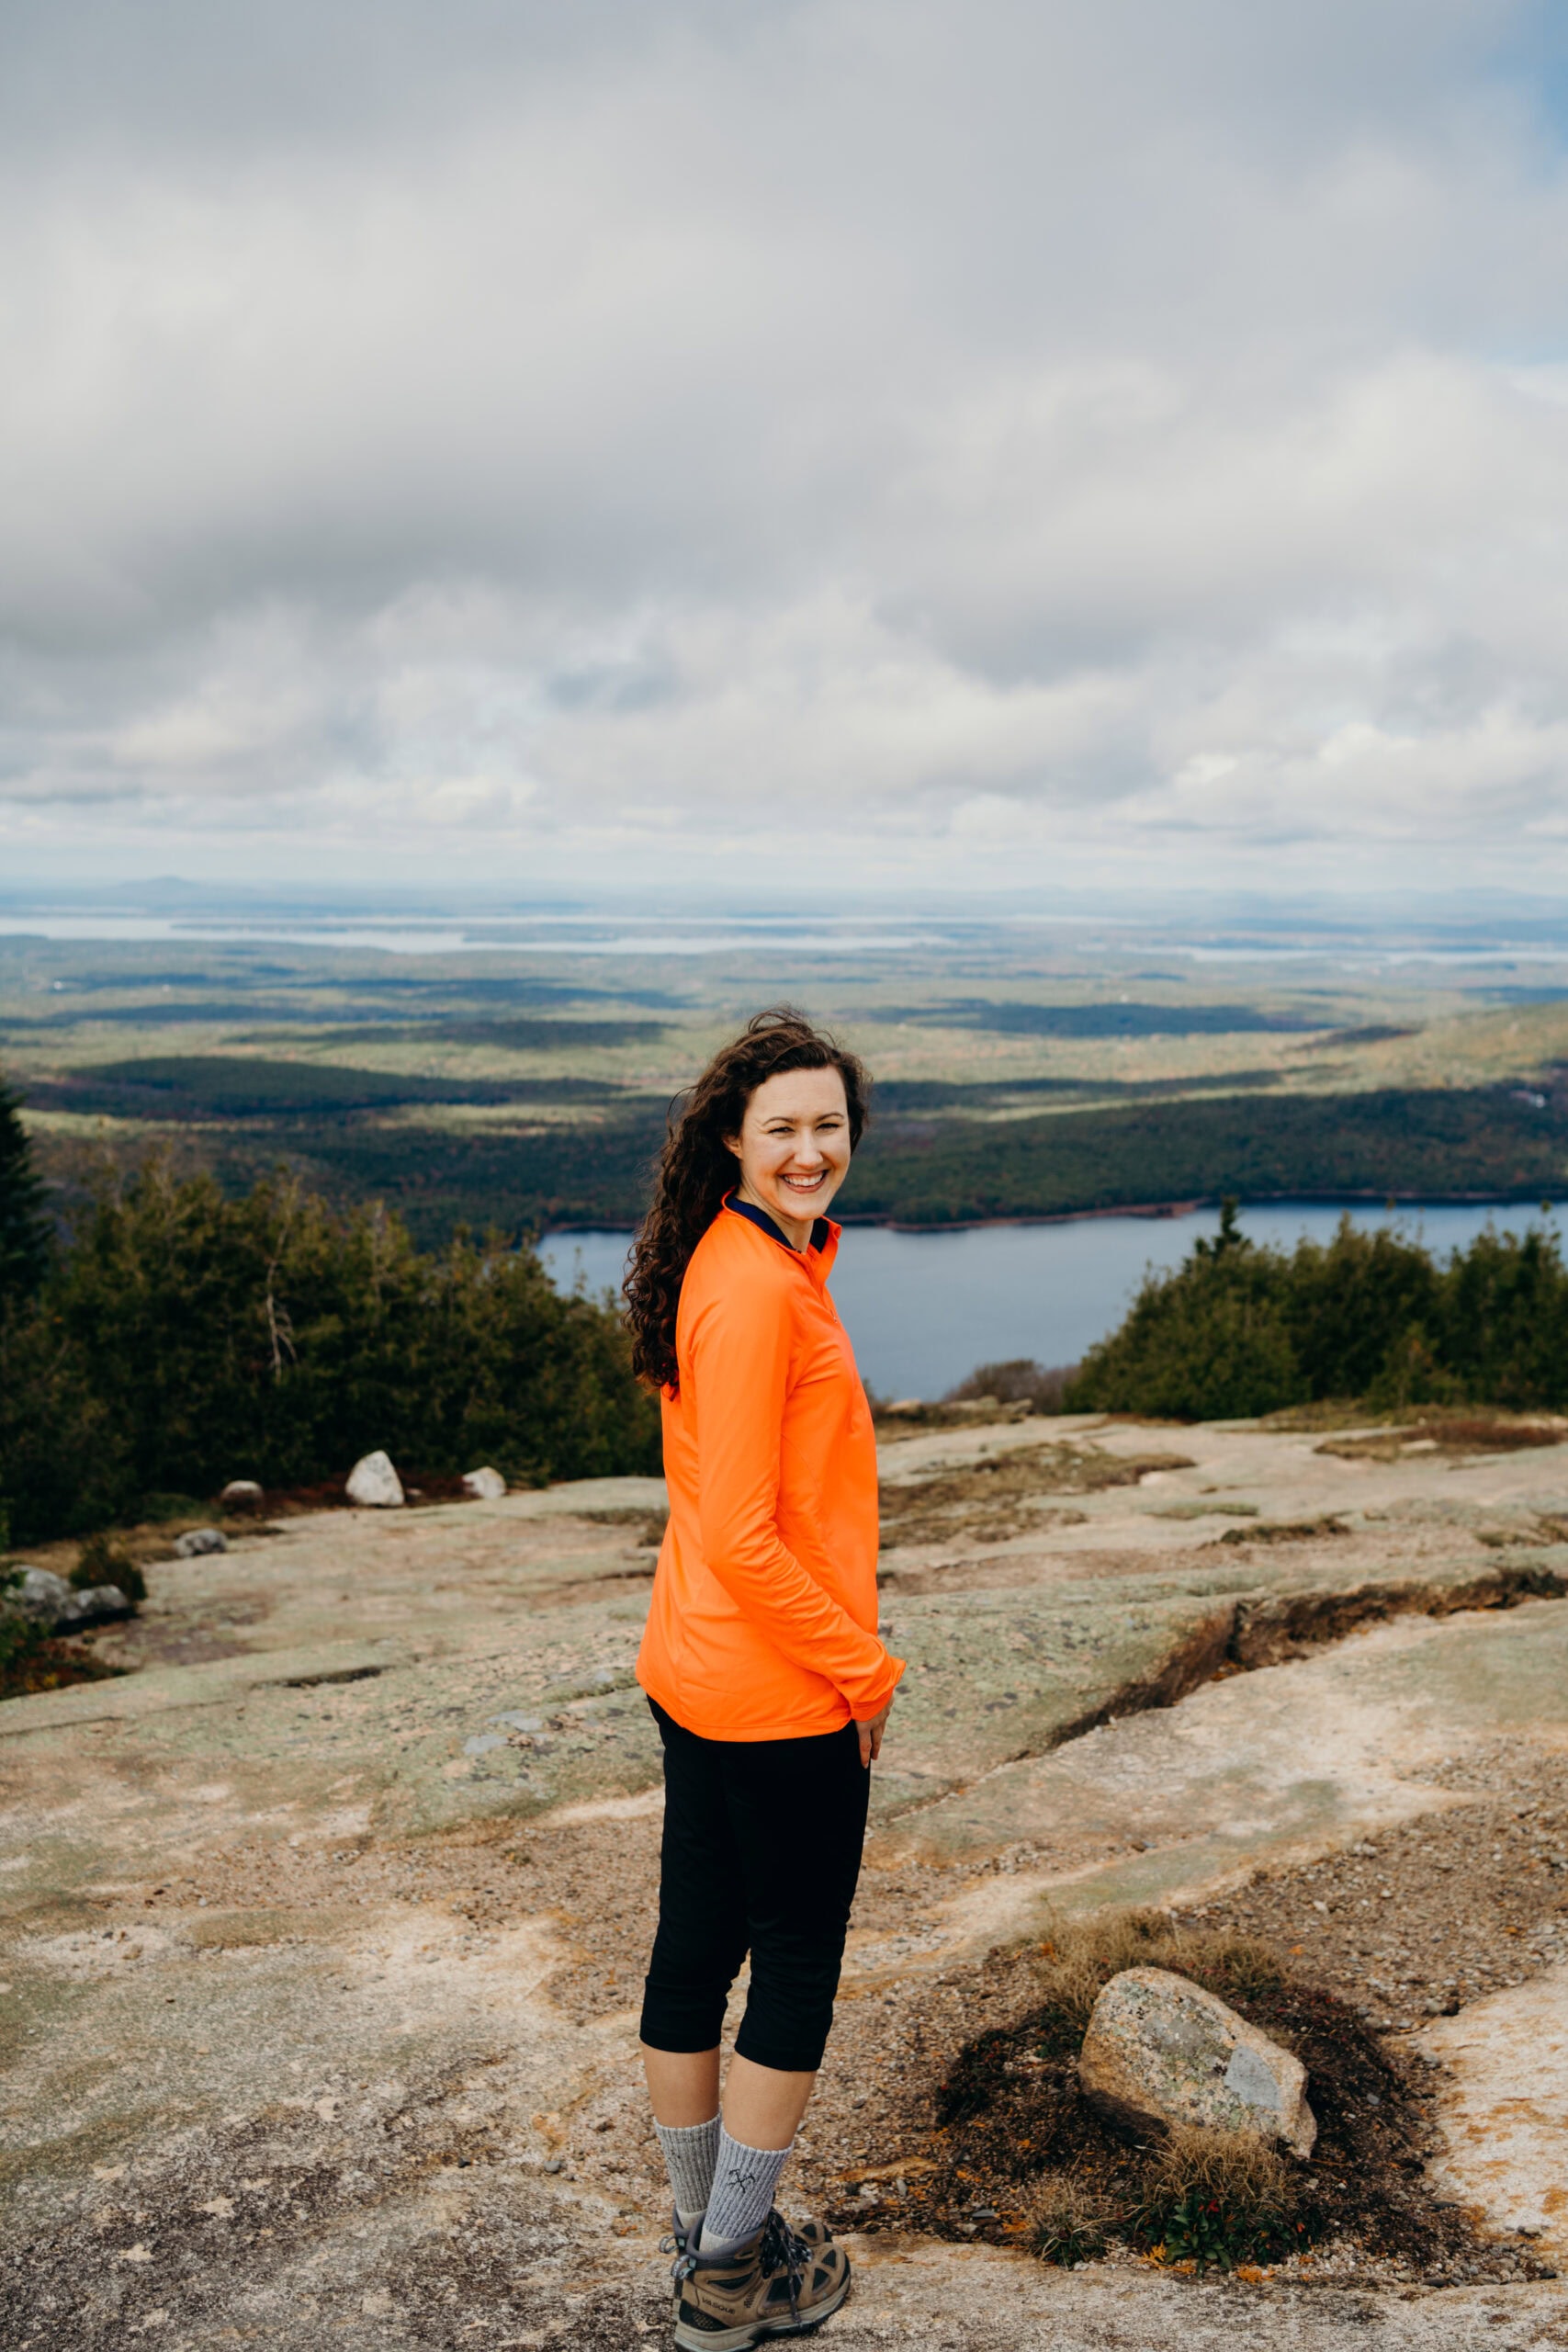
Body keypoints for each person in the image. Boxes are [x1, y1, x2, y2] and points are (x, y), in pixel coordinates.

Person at [623, 1007, 903, 2350]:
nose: (809, 1150)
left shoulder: (755, 1259)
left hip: (704, 1674)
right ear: (732, 1138)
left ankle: (704, 2244)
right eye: (782, 1128)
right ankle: (731, 2266)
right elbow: (742, 1532)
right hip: (782, 1691)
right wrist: (864, 1669)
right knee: (789, 1966)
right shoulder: (749, 1289)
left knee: (694, 1957)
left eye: (827, 1127)